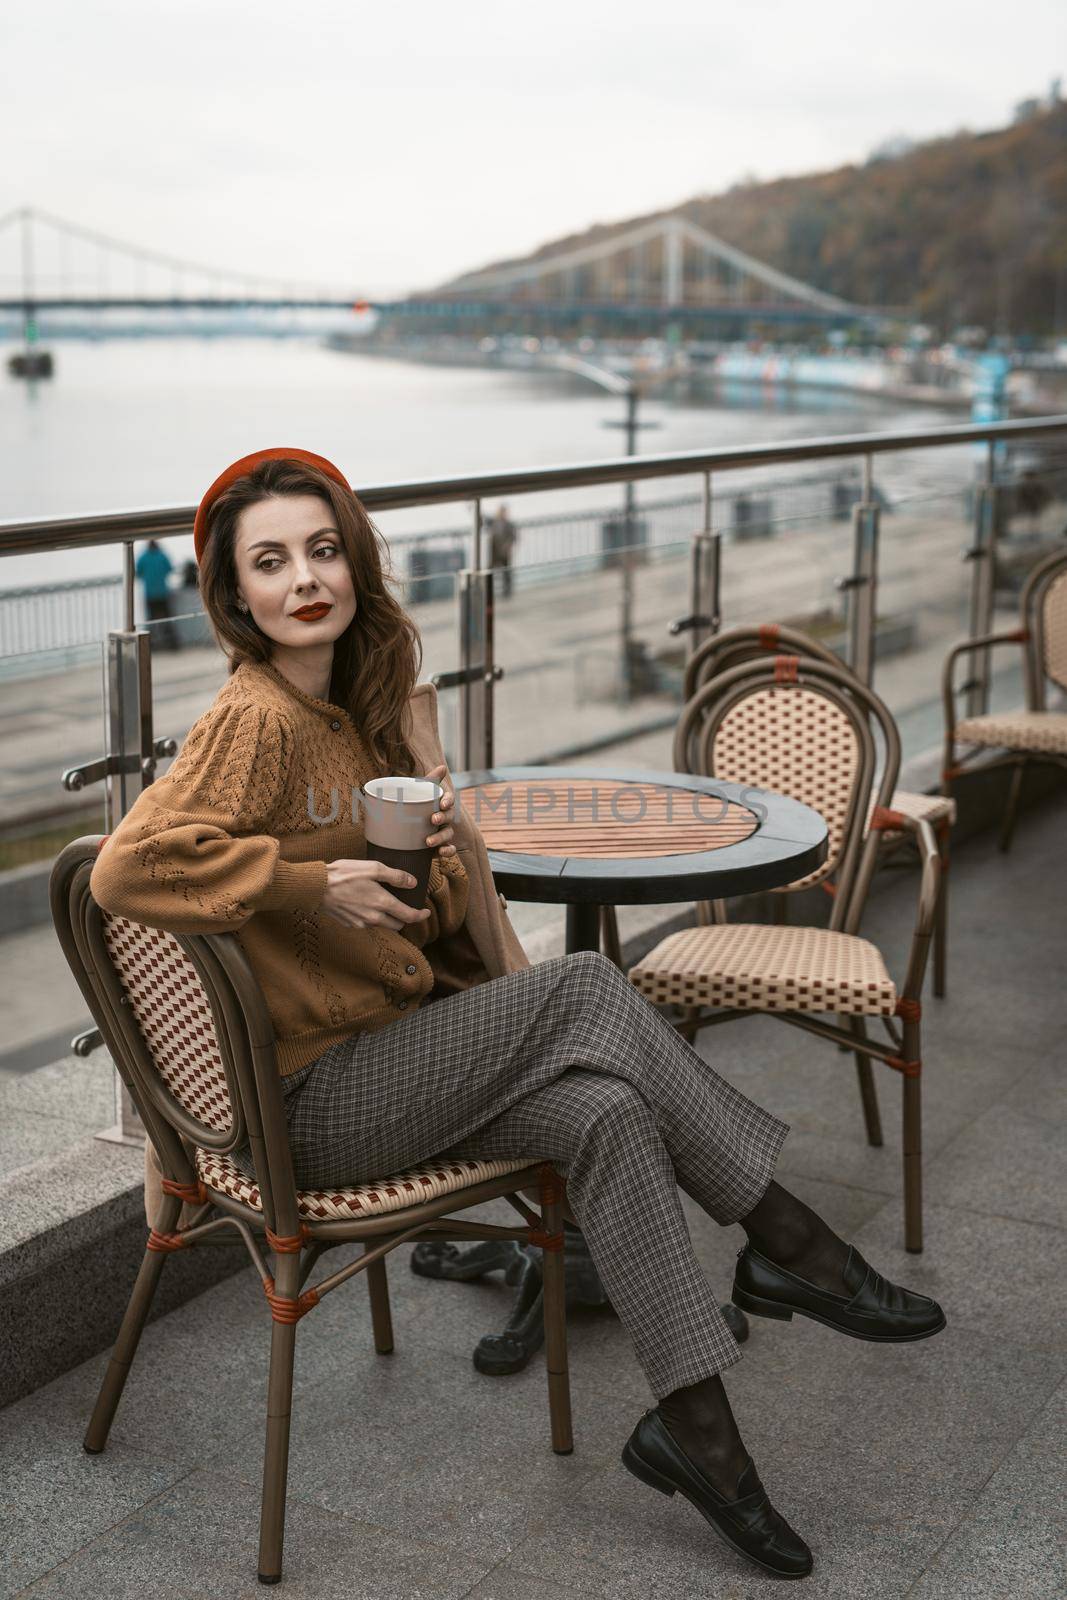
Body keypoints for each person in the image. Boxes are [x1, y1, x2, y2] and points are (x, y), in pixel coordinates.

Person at [91, 448, 945, 1581]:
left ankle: (699, 1439)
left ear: (354, 562)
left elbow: (408, 917)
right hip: (307, 1105)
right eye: (270, 561)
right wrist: (313, 882)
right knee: (591, 988)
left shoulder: (353, 717)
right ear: (235, 596)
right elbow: (123, 870)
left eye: (322, 548)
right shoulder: (254, 716)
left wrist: (436, 858)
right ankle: (790, 1243)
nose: (304, 577)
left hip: (385, 1060)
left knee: (603, 1111)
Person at [135, 537, 180, 650]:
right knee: (167, 619)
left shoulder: (143, 557)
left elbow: (138, 573)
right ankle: (172, 644)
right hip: (162, 593)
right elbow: (170, 569)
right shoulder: (162, 555)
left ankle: (150, 646)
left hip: (150, 594)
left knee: (151, 620)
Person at [488, 503, 518, 597]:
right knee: (490, 571)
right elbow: (483, 519)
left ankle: (507, 592)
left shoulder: (509, 524)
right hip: (494, 552)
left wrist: (508, 546)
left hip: (504, 552)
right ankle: (488, 590)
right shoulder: (494, 522)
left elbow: (514, 537)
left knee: (506, 572)